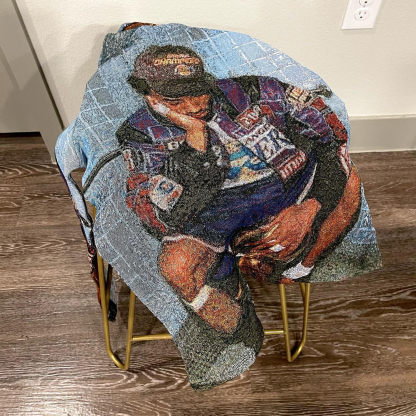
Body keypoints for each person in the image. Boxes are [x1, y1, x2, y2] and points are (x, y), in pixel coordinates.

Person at [116, 45, 362, 334]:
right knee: (176, 267)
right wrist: (195, 142)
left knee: (350, 181)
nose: (194, 107)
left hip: (288, 187)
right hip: (212, 213)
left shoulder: (255, 90)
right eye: (175, 100)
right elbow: (164, 215)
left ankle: (302, 267)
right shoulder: (138, 134)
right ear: (150, 97)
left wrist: (312, 205)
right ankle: (241, 332)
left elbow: (331, 137)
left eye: (198, 92)